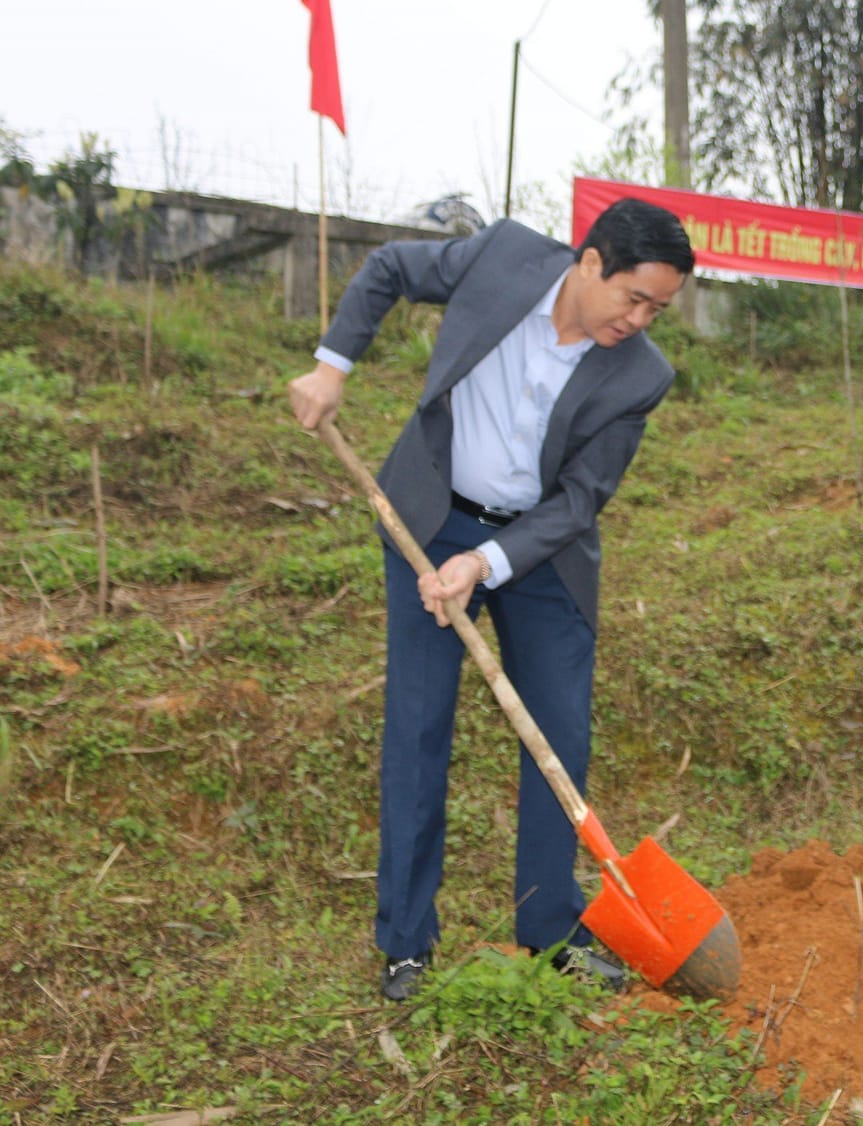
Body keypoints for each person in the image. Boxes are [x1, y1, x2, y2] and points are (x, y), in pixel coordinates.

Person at [287, 199, 694, 1000]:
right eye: (633, 297)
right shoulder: (501, 257)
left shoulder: (642, 375)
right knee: (417, 725)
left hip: (539, 553)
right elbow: (390, 270)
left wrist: (486, 562)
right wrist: (334, 364)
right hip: (431, 522)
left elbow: (579, 500)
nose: (640, 320)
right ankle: (406, 941)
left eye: (659, 309)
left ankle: (548, 928)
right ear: (588, 263)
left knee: (557, 737)